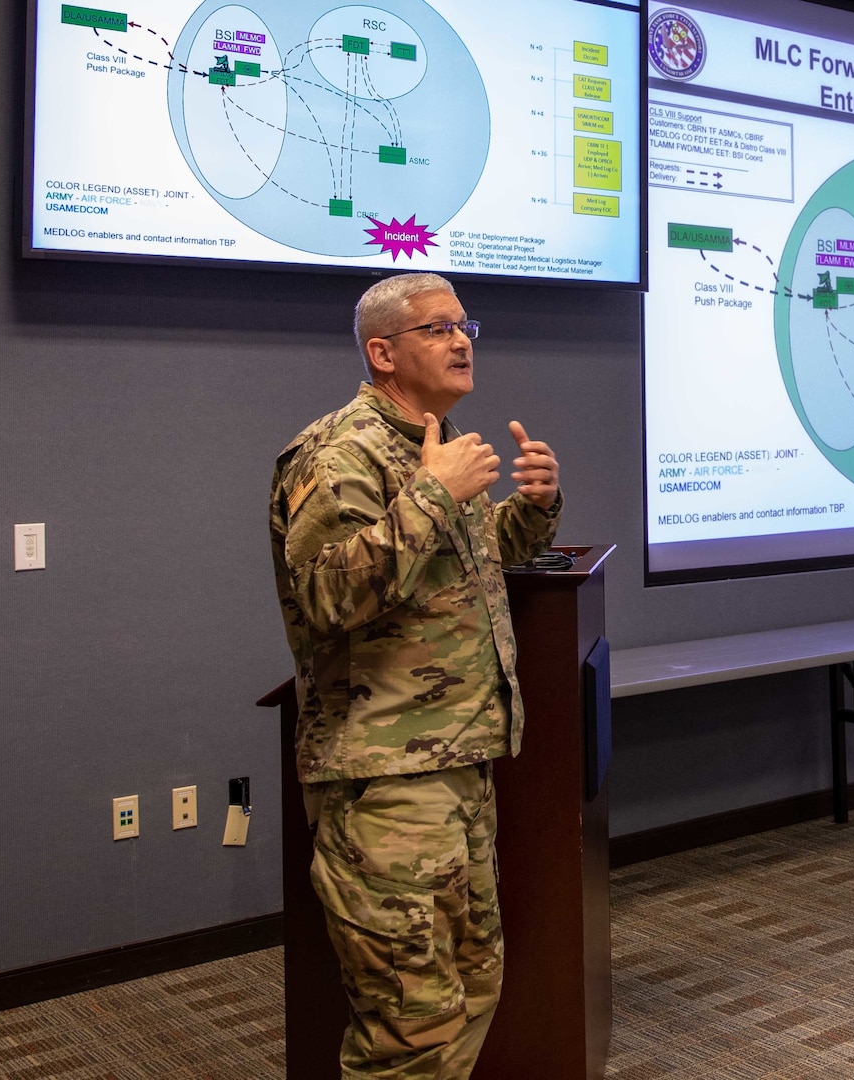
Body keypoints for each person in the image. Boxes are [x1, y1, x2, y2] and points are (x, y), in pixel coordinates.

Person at [268, 272, 561, 1078]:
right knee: (409, 1026)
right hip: (384, 781)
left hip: (456, 763)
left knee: (472, 987)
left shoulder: (434, 444)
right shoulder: (341, 454)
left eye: (465, 323)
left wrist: (530, 510)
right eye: (437, 329)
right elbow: (326, 594)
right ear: (383, 353)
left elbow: (458, 565)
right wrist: (435, 494)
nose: (462, 339)